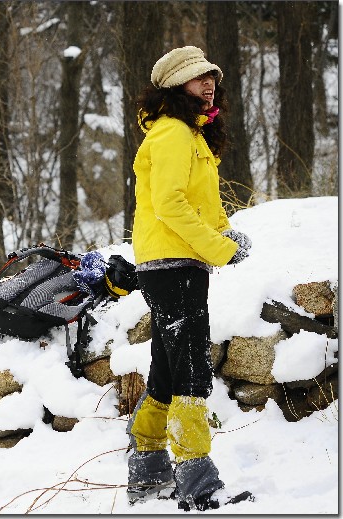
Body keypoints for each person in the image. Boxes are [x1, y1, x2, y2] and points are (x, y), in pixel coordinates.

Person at [125, 46, 253, 511]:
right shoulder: (173, 133)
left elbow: (201, 204)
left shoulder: (190, 135)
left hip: (179, 262)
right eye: (198, 78)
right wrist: (219, 248)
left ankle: (148, 467)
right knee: (192, 368)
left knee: (167, 367)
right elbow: (170, 205)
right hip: (171, 262)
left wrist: (225, 235)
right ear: (175, 87)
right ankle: (196, 479)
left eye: (211, 77)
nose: (209, 83)